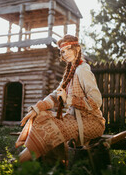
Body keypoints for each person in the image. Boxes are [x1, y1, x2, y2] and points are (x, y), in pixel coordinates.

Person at [16, 34, 105, 163]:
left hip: (91, 122)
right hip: (73, 119)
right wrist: (38, 108)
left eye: (69, 49)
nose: (66, 53)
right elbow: (55, 95)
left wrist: (69, 99)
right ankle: (52, 163)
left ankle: (16, 164)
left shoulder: (83, 70)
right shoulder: (70, 71)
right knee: (41, 117)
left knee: (51, 129)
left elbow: (96, 101)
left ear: (77, 49)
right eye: (63, 51)